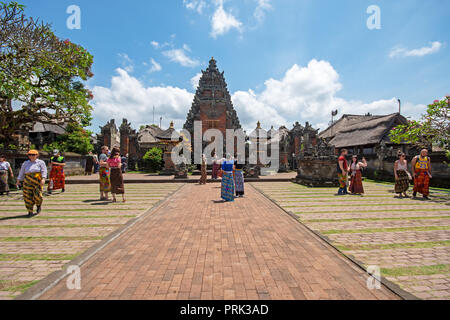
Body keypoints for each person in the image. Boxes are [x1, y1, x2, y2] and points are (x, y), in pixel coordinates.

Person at [16, 150, 47, 217]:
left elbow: (44, 171)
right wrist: (18, 180)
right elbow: (21, 172)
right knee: (27, 196)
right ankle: (30, 211)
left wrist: (43, 179)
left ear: (37, 155)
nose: (32, 156)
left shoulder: (41, 162)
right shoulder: (25, 163)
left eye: (33, 154)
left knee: (38, 195)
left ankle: (38, 205)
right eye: (30, 155)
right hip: (27, 181)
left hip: (37, 180)